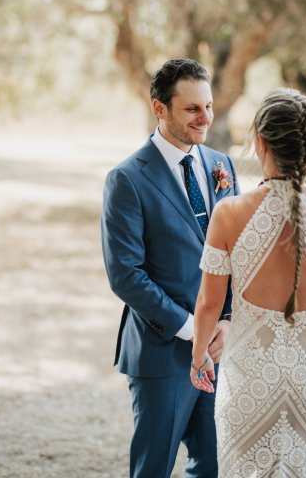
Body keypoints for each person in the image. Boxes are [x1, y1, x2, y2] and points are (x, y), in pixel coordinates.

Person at [191, 88, 306, 477]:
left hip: (249, 383)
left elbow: (209, 303)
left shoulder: (229, 214)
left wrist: (198, 357)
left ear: (260, 143)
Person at [101, 58, 240, 478]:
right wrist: (191, 328)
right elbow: (126, 274)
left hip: (218, 350)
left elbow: (235, 253)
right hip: (162, 352)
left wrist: (227, 321)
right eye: (192, 109)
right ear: (159, 108)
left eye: (209, 106)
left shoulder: (222, 165)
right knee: (153, 468)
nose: (205, 118)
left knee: (215, 465)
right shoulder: (127, 179)